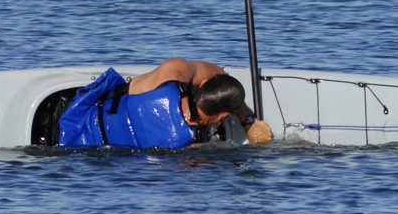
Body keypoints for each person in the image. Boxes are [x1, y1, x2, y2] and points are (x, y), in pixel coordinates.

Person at [59, 58, 273, 149]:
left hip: (71, 117)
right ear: (222, 117)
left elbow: (217, 72)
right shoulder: (190, 149)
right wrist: (249, 122)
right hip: (83, 154)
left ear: (204, 83)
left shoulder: (172, 72)